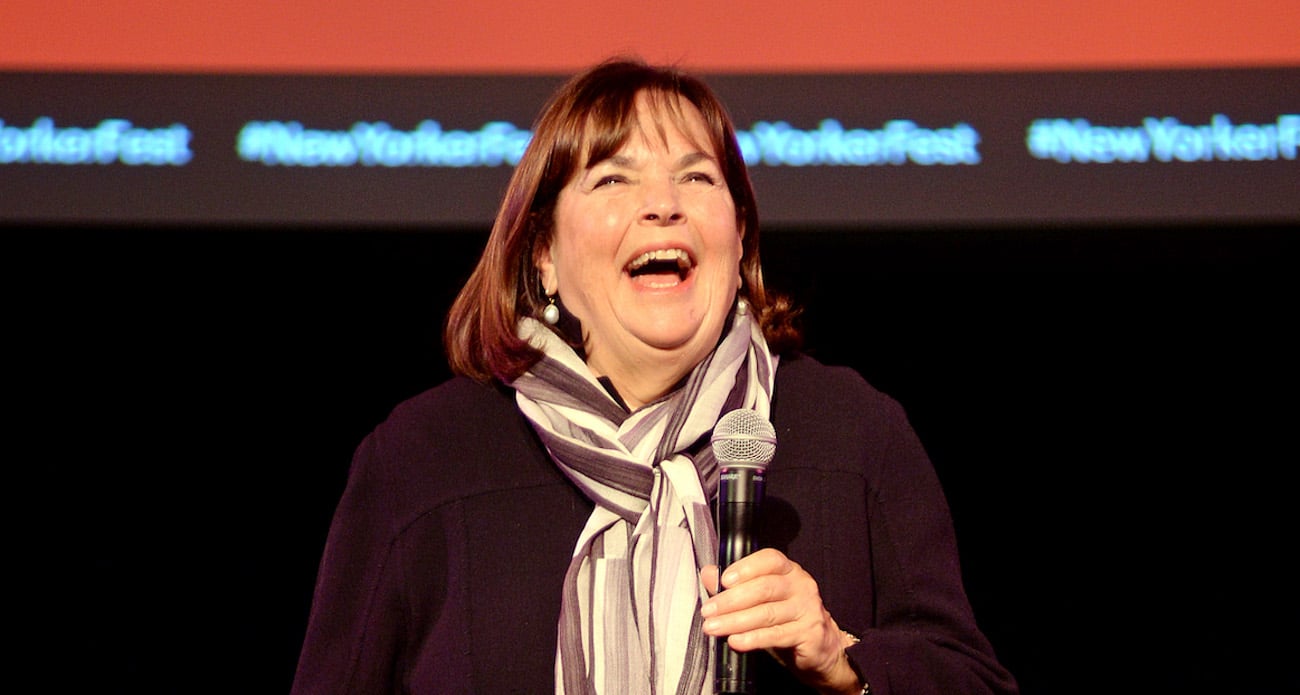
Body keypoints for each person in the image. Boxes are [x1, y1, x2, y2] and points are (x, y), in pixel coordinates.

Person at [290, 56, 1019, 695]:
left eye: (696, 177)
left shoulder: (853, 430)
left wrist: (844, 661)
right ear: (543, 251)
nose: (663, 204)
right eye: (613, 178)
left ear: (739, 237)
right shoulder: (422, 457)